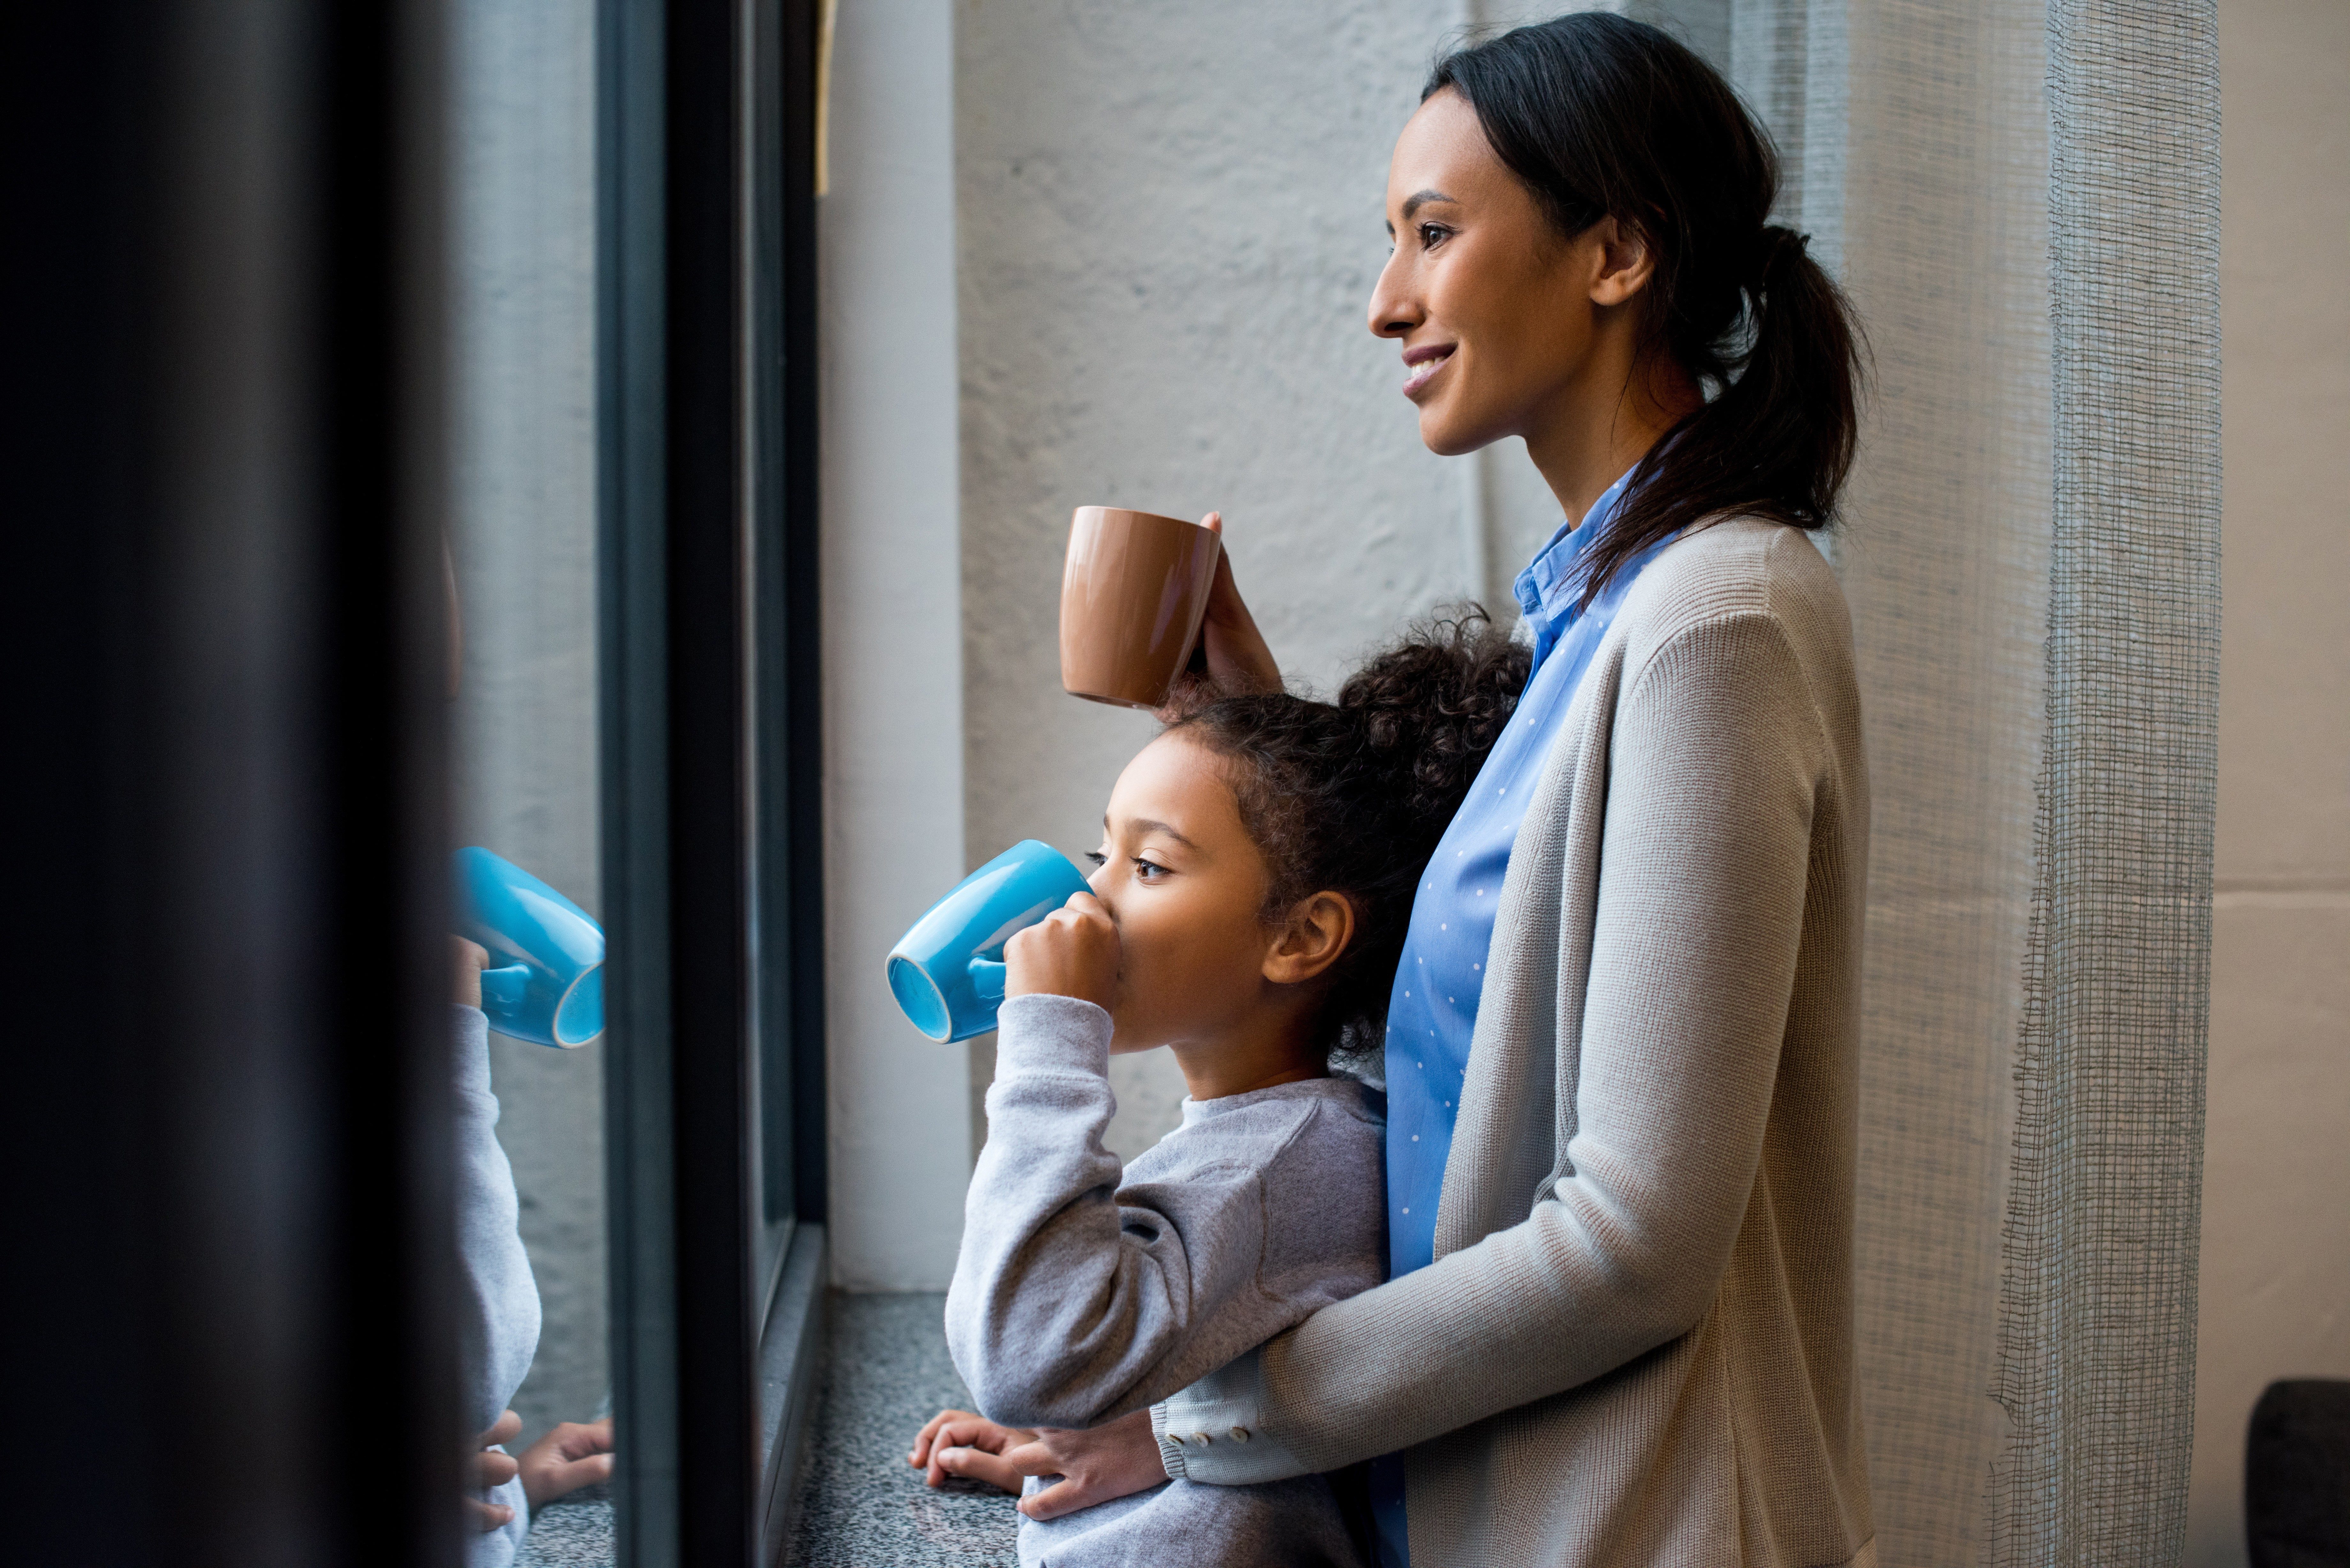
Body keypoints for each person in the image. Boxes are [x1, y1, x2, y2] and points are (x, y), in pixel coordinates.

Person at [916, 13, 1873, 1566]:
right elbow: (1471, 1044)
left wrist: (1189, 1419)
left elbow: (1632, 1244)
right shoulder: (1599, 614)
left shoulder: (1716, 618)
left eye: (1433, 234)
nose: (1385, 304)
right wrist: (1263, 759)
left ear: (1615, 253)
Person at [910, 621, 1530, 1566]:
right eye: (1101, 855)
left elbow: (1024, 1357)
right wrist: (1117, 1417)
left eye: (1149, 867)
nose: (1091, 904)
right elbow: (1221, 1341)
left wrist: (1049, 1042)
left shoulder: (1277, 1166)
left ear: (1302, 940)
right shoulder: (1302, 1138)